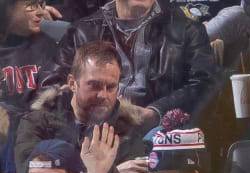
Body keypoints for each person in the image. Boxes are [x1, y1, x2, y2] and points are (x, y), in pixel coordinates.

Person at [13, 41, 154, 173]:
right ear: (72, 83)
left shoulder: (125, 127)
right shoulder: (38, 121)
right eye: (94, 85)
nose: (103, 95)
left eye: (111, 87)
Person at [51, 0, 217, 124]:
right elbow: (52, 84)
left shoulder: (188, 30)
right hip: (92, 128)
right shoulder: (82, 31)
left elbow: (204, 84)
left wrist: (156, 111)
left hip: (159, 132)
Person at [1, 0, 55, 117]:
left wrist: (58, 30)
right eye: (33, 5)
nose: (41, 12)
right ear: (8, 8)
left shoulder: (52, 40)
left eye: (41, 5)